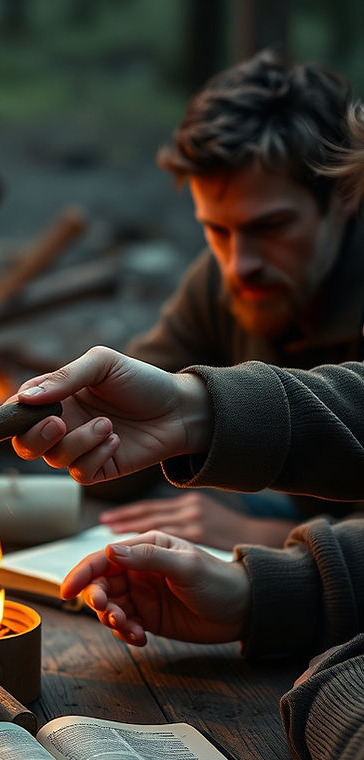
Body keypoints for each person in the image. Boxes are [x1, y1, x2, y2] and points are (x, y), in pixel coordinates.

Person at [10, 338, 364, 760]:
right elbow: (117, 463)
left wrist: (336, 677)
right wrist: (263, 590)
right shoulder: (210, 291)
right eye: (222, 240)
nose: (241, 262)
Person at [98, 49, 364, 550]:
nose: (240, 264)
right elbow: (126, 445)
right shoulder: (220, 283)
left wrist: (264, 535)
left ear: (345, 196)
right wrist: (84, 434)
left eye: (271, 226)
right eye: (217, 230)